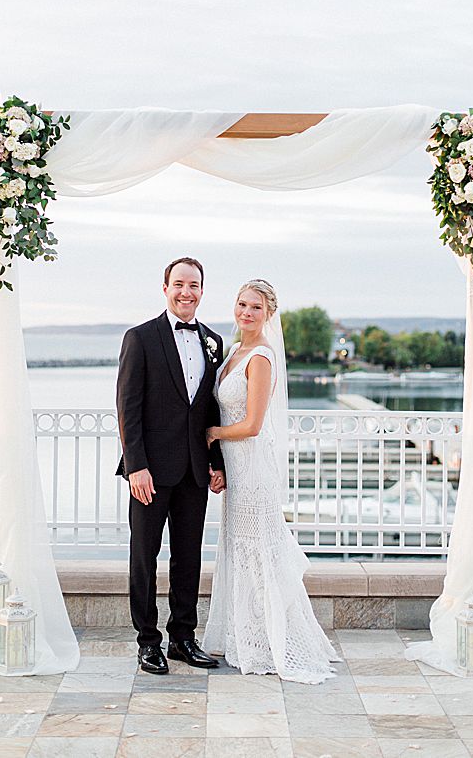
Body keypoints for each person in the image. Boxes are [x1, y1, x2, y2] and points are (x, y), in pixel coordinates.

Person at [202, 279, 341, 683]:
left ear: (269, 315)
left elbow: (252, 424)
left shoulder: (261, 357)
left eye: (256, 308)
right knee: (239, 550)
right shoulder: (233, 352)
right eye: (242, 304)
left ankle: (274, 641)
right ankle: (246, 635)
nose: (247, 313)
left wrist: (212, 434)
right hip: (235, 470)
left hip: (254, 471)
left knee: (259, 553)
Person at [116, 256, 227, 675]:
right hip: (150, 471)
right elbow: (128, 408)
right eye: (179, 284)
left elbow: (210, 410)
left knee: (188, 557)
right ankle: (148, 642)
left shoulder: (213, 341)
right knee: (144, 556)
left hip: (194, 471)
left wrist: (216, 463)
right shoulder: (140, 338)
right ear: (165, 288)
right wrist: (136, 466)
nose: (186, 292)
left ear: (202, 291)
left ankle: (183, 637)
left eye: (193, 285)